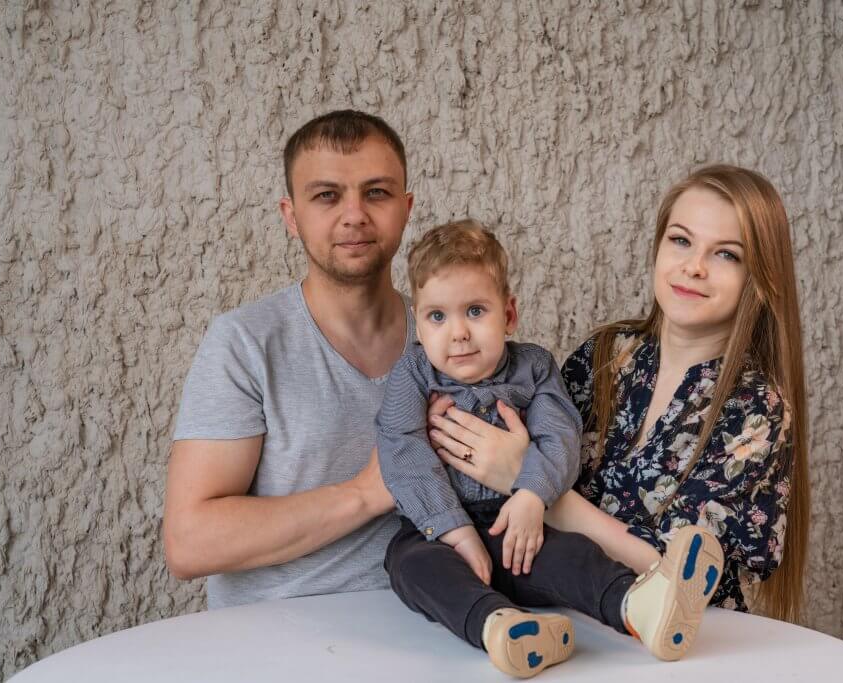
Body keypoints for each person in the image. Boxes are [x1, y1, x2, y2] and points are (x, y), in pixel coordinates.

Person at [428, 165, 809, 624]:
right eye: (681, 240)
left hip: (684, 637)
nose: (694, 266)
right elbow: (524, 438)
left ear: (760, 279)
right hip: (571, 619)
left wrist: (526, 478)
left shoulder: (756, 409)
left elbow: (687, 576)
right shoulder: (606, 354)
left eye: (726, 254)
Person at [378, 220, 725, 678]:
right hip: (436, 529)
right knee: (410, 565)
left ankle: (640, 607)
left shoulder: (534, 367)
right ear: (418, 323)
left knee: (572, 555)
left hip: (517, 522)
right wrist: (454, 531)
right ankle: (499, 626)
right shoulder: (413, 374)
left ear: (509, 314)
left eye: (475, 311)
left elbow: (560, 436)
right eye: (437, 317)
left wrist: (530, 495)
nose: (458, 332)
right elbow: (402, 449)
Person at [162, 110, 413, 608]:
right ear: (291, 216)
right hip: (278, 639)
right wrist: (364, 494)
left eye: (376, 192)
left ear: (406, 208)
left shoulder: (451, 338)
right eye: (327, 196)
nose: (354, 214)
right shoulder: (246, 343)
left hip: (430, 624)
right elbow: (189, 543)